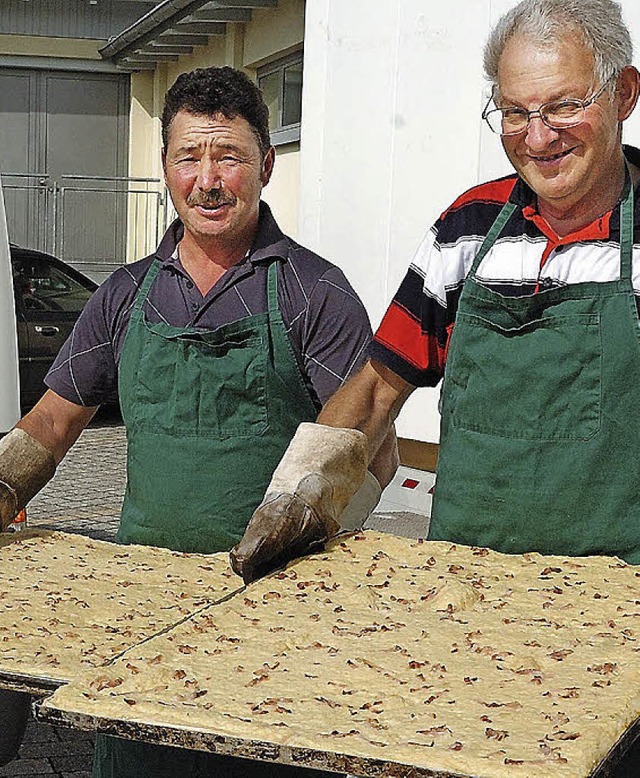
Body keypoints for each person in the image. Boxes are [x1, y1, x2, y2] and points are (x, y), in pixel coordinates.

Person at [233, 4, 640, 768]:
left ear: (623, 94)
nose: (539, 135)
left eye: (563, 106)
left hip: (618, 621)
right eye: (515, 111)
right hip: (467, 609)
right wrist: (298, 493)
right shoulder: (466, 228)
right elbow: (382, 384)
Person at [0, 67, 394, 777]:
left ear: (266, 165)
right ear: (165, 168)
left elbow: (374, 451)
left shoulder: (316, 292)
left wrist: (308, 535)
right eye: (190, 156)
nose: (208, 181)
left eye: (229, 157)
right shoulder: (124, 294)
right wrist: (3, 486)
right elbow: (53, 424)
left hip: (271, 620)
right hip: (137, 619)